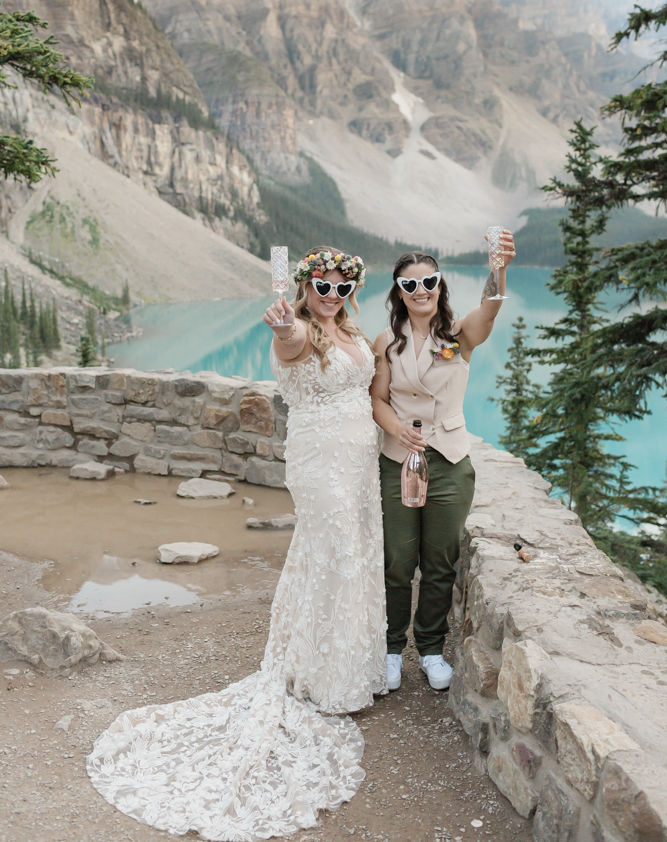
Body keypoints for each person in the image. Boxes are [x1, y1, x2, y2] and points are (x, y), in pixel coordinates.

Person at [87, 246, 386, 842]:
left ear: (350, 289)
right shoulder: (297, 327)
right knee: (333, 557)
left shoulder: (351, 329)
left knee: (353, 555)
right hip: (320, 459)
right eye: (321, 286)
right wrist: (281, 328)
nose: (331, 294)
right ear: (305, 288)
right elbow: (287, 345)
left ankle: (347, 666)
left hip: (359, 460)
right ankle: (323, 680)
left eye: (340, 285)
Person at [370, 231, 516, 692]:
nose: (421, 291)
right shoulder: (385, 343)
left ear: (440, 284)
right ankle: (391, 649)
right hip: (397, 459)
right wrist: (396, 430)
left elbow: (490, 308)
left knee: (439, 560)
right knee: (396, 559)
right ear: (398, 291)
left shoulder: (459, 335)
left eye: (428, 281)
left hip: (450, 459)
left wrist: (499, 266)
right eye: (409, 285)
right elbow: (377, 398)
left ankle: (430, 649)